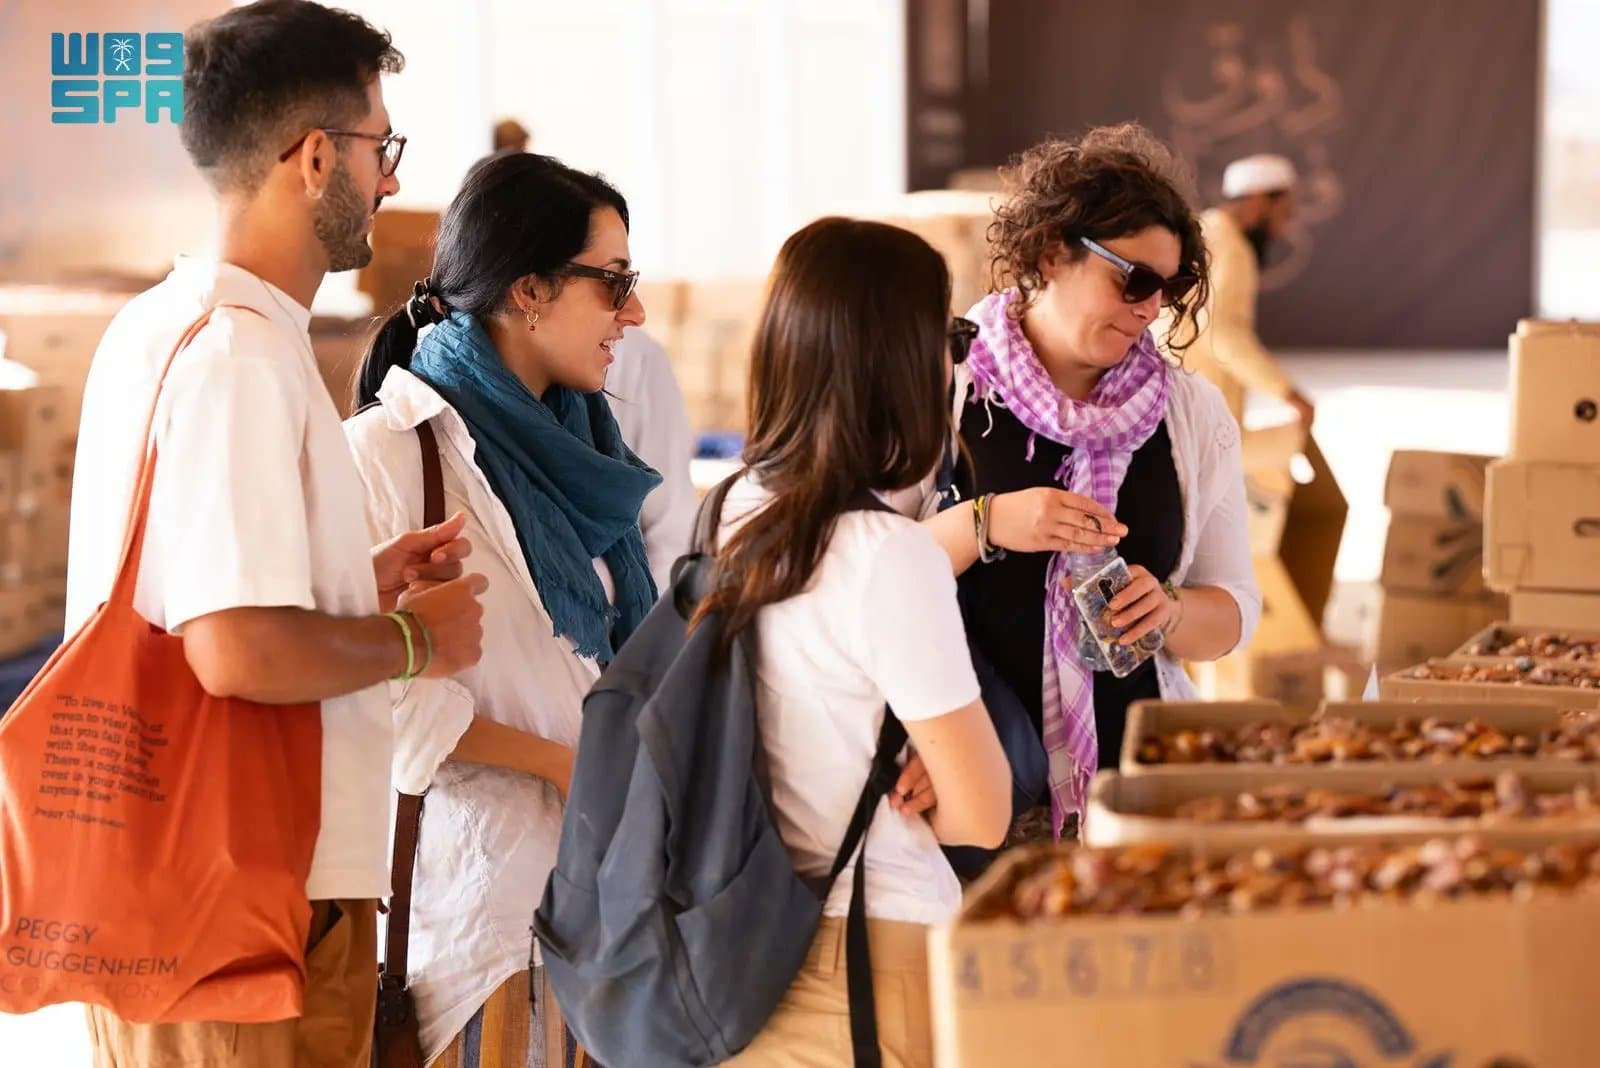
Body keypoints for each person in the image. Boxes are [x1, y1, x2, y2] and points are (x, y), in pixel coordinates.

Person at [65, 2, 488, 1065]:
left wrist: (358, 582)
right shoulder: (239, 356)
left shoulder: (163, 326)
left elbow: (197, 597)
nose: (388, 181)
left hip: (187, 896)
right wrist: (417, 644)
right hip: (252, 915)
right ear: (314, 159)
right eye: (377, 147)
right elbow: (236, 650)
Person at [345, 151, 657, 1066]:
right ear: (528, 289)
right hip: (483, 930)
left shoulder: (590, 458)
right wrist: (564, 767)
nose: (632, 313)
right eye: (614, 284)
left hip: (603, 916)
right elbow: (380, 704)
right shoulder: (389, 454)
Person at [706, 217, 1011, 1067]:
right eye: (951, 337)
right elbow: (982, 813)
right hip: (870, 964)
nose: (960, 362)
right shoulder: (888, 558)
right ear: (900, 365)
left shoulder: (727, 517)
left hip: (734, 959)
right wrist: (929, 761)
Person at [920, 124, 1262, 840]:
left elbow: (1234, 609)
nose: (1149, 307)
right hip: (970, 792)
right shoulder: (942, 386)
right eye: (1132, 278)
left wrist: (1168, 611)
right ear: (1050, 253)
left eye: (1170, 289)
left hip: (1134, 803)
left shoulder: (1189, 413)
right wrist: (984, 523)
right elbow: (864, 577)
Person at [1182, 152, 1316, 428]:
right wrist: (1287, 392)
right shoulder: (1232, 248)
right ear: (1258, 200)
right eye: (1283, 214)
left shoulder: (1205, 230)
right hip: (1201, 409)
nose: (1281, 230)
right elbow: (1220, 330)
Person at [607, 328, 698, 587]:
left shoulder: (636, 356)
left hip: (620, 619)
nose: (635, 312)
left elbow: (671, 533)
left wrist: (649, 625)